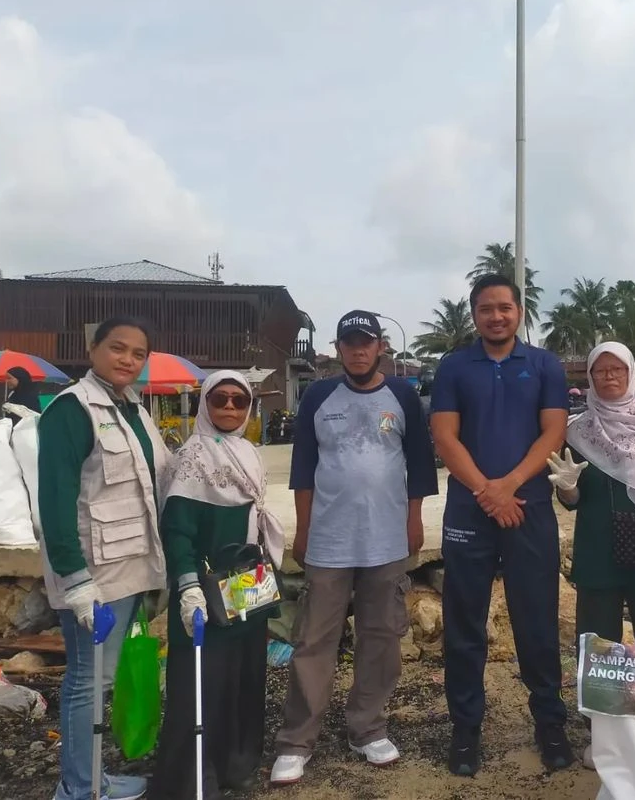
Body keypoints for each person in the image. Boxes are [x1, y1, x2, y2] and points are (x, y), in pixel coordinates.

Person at [271, 310, 438, 786]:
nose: (358, 350)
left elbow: (420, 468)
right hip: (328, 541)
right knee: (313, 640)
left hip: (386, 541)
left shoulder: (403, 395)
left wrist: (413, 522)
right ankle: (296, 740)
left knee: (381, 636)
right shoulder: (319, 396)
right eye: (349, 343)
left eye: (366, 342)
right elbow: (302, 468)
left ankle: (366, 728)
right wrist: (303, 530)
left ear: (380, 346)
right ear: (339, 348)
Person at [430, 273, 572, 776]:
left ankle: (549, 721)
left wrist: (509, 484)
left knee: (537, 621)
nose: (496, 316)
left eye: (505, 308)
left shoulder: (544, 365)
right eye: (487, 309)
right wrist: (489, 494)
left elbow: (554, 430)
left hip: (528, 506)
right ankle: (465, 728)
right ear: (475, 314)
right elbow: (445, 437)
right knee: (464, 623)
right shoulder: (453, 367)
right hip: (471, 510)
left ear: (519, 312)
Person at [37, 316, 169, 800]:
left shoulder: (134, 409)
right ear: (92, 348)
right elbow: (54, 499)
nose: (128, 360)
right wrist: (76, 581)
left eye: (138, 354)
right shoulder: (71, 411)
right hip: (94, 577)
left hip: (131, 568)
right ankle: (78, 787)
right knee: (87, 682)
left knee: (103, 680)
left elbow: (159, 480)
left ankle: (94, 777)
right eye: (117, 348)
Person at [547, 341, 635, 769]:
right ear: (589, 378)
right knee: (599, 643)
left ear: (631, 373)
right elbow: (571, 499)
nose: (609, 378)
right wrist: (568, 488)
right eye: (600, 372)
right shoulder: (577, 430)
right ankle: (604, 734)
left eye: (617, 371)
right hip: (598, 547)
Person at [149, 370, 285, 799]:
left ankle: (238, 766)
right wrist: (186, 585)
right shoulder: (191, 458)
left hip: (247, 578)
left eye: (238, 401)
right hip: (205, 587)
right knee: (202, 680)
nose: (229, 407)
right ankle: (193, 778)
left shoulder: (247, 450)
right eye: (220, 399)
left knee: (245, 674)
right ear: (204, 404)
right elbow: (178, 531)